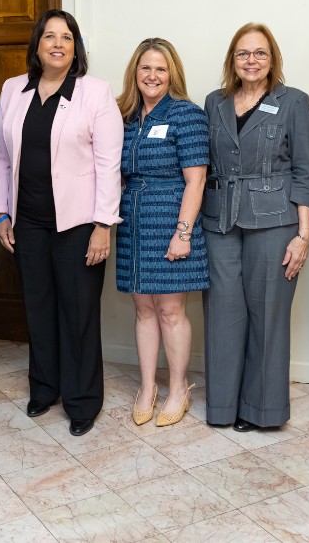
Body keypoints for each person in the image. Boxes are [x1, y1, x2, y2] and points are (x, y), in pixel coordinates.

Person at [0, 9, 123, 437]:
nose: (57, 44)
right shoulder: (15, 89)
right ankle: (44, 388)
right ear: (37, 45)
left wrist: (104, 225)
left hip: (79, 226)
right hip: (27, 223)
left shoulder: (95, 93)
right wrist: (2, 213)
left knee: (78, 312)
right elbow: (3, 158)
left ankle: (83, 400)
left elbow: (109, 164)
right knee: (39, 308)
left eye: (66, 37)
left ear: (76, 47)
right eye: (49, 36)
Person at [202, 23, 309, 432]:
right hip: (219, 220)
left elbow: (305, 172)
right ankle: (222, 407)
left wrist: (303, 236)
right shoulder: (214, 102)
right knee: (222, 314)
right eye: (243, 54)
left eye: (260, 53)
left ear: (272, 59)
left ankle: (261, 410)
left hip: (275, 221)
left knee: (267, 314)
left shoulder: (294, 102)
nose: (251, 61)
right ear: (232, 60)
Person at [115, 38, 209, 427]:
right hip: (132, 223)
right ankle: (147, 387)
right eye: (145, 68)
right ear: (134, 73)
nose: (152, 76)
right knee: (143, 310)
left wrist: (183, 233)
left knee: (171, 310)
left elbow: (197, 180)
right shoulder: (124, 116)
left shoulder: (187, 114)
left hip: (172, 219)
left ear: (172, 74)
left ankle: (178, 388)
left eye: (160, 69)